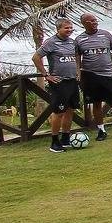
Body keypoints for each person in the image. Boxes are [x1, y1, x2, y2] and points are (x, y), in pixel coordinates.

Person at [75, 13, 112, 141]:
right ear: (84, 23)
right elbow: (77, 58)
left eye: (96, 20)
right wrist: (78, 73)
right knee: (96, 103)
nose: (95, 22)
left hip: (107, 74)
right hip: (90, 75)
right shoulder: (79, 39)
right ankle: (101, 130)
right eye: (92, 21)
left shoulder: (106, 35)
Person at [32, 18, 79, 153]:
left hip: (72, 81)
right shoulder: (51, 42)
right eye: (66, 28)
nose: (69, 30)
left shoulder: (72, 42)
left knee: (70, 110)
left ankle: (65, 138)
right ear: (58, 29)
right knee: (58, 112)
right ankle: (54, 141)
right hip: (59, 82)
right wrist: (45, 74)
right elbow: (36, 57)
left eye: (71, 28)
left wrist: (77, 72)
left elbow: (76, 56)